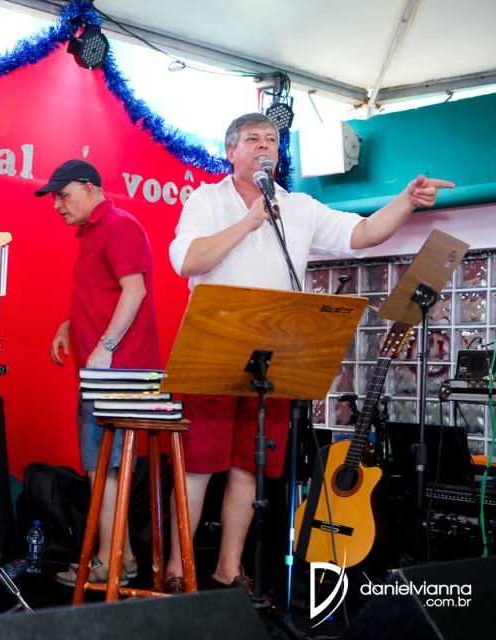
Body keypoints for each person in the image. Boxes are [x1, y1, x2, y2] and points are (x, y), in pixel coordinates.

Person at [165, 112, 454, 592]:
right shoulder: (207, 199)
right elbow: (188, 261)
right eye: (253, 139)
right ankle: (178, 570)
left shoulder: (297, 206)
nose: (265, 146)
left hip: (274, 354)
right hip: (214, 348)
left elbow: (361, 235)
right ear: (231, 151)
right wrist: (250, 221)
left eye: (272, 139)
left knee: (250, 465)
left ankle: (229, 569)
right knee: (197, 466)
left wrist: (405, 201)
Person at [34, 159, 161, 588]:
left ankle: (112, 561)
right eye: (54, 197)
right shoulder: (93, 232)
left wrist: (105, 346)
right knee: (99, 468)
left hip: (122, 374)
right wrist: (69, 325)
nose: (57, 204)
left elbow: (135, 290)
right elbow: (103, 293)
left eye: (63, 195)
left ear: (89, 189)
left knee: (107, 468)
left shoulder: (119, 225)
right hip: (102, 374)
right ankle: (115, 559)